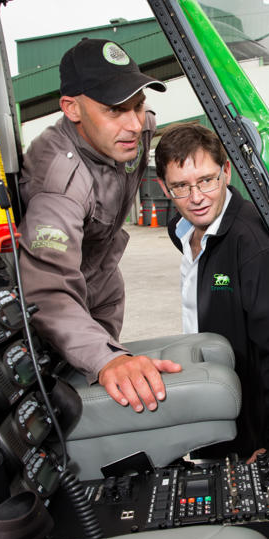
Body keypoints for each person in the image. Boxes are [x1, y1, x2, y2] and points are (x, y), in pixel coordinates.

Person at [17, 38, 179, 413]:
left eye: (139, 106)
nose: (134, 125)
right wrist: (109, 360)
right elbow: (46, 289)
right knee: (82, 392)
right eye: (115, 110)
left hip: (104, 279)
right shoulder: (60, 179)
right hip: (62, 302)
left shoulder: (139, 127)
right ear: (72, 108)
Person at [155, 122, 269, 461]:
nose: (196, 198)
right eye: (181, 186)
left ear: (226, 171)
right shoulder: (180, 230)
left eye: (206, 180)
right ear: (164, 187)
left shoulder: (250, 246)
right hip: (210, 397)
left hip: (247, 424)